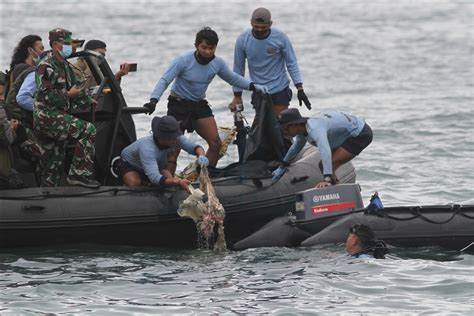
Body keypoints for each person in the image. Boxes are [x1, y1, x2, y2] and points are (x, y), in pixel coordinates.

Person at [144, 26, 269, 167]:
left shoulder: (217, 63)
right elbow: (165, 80)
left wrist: (253, 86)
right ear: (196, 46)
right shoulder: (183, 60)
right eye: (204, 47)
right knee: (174, 150)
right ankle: (169, 183)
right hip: (178, 105)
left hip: (199, 105)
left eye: (211, 48)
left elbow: (233, 78)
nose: (207, 52)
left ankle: (205, 177)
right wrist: (153, 101)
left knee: (216, 144)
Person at [34, 28, 99, 188]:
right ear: (56, 45)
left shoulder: (65, 65)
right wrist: (69, 95)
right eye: (68, 44)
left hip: (58, 116)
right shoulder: (45, 65)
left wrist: (88, 100)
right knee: (87, 130)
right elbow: (47, 94)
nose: (72, 47)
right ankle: (79, 175)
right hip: (46, 116)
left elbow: (75, 88)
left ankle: (48, 191)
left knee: (55, 158)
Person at [229, 7, 311, 116]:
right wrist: (237, 95)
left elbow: (291, 63)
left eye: (263, 27)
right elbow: (238, 69)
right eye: (256, 26)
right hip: (259, 91)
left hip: (280, 89)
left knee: (280, 126)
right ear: (251, 23)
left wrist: (299, 88)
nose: (259, 30)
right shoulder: (243, 39)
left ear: (270, 24)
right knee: (262, 128)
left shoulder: (280, 37)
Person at [272, 108, 373, 188]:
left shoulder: (315, 130)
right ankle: (337, 189)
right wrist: (283, 166)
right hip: (346, 133)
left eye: (285, 128)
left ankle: (332, 185)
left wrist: (326, 179)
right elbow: (295, 148)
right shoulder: (302, 131)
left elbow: (325, 151)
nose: (284, 132)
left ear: (295, 125)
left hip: (360, 133)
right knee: (324, 166)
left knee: (329, 164)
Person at [113, 115, 208, 189]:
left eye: (176, 136)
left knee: (168, 178)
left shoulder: (176, 138)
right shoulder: (147, 147)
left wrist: (201, 155)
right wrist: (178, 181)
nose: (175, 140)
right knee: (133, 181)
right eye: (172, 138)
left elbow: (195, 147)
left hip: (155, 166)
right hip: (129, 164)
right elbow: (154, 177)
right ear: (161, 137)